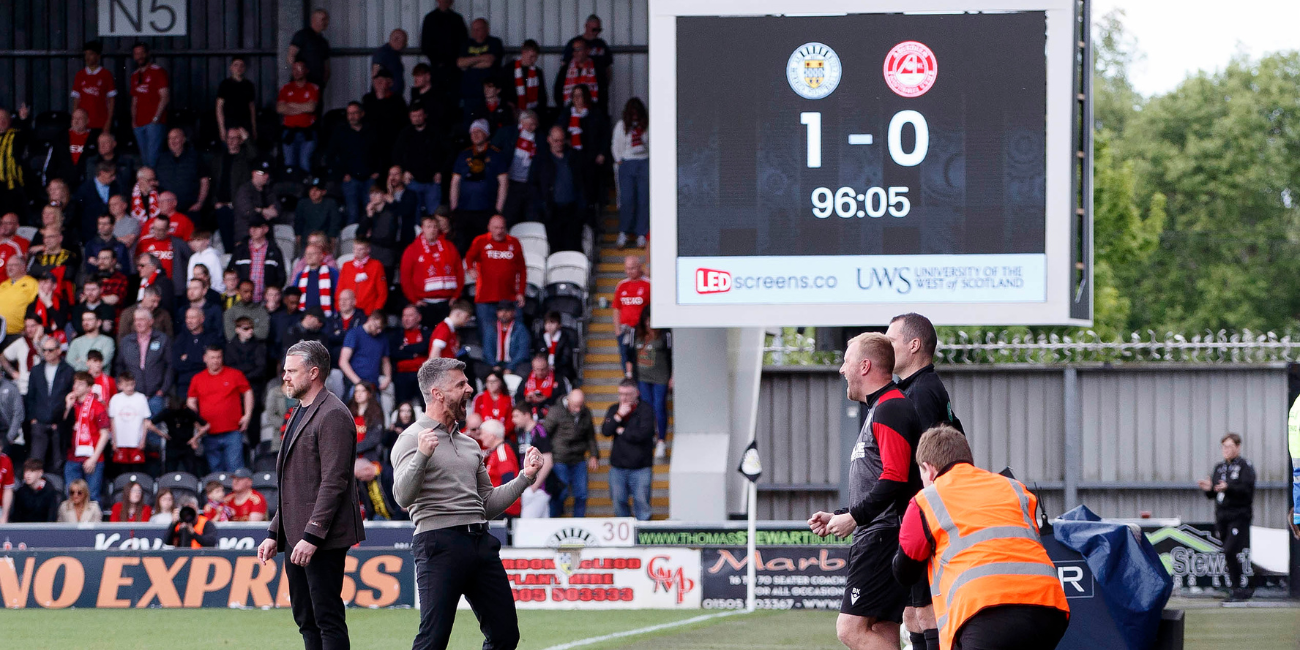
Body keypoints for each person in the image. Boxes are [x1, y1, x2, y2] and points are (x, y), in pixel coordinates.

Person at [392, 357, 542, 650]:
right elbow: (402, 497)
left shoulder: (470, 444)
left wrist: (525, 477)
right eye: (461, 384)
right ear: (437, 393)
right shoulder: (411, 439)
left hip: (481, 542)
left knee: (505, 636)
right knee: (433, 641)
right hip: (438, 544)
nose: (470, 389)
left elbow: (486, 504)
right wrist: (422, 455)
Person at [890, 425, 1070, 650]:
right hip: (1048, 608)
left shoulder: (926, 500)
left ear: (928, 469)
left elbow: (904, 571)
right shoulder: (1014, 488)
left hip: (985, 610)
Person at [807, 332, 922, 650]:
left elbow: (895, 478)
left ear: (865, 366)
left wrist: (855, 517)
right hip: (881, 533)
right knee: (882, 627)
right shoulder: (880, 409)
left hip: (883, 538)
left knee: (851, 629)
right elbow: (882, 483)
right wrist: (841, 515)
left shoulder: (891, 408)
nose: (842, 370)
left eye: (846, 362)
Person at [257, 339, 365, 650]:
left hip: (321, 538)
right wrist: (273, 533)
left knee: (326, 618)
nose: (285, 377)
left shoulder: (333, 414)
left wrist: (312, 536)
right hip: (296, 535)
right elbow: (293, 485)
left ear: (314, 372)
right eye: (285, 370)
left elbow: (334, 482)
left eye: (292, 371)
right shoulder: (300, 412)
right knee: (306, 618)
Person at [886, 312, 964, 650]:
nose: (886, 349)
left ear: (914, 344)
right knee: (911, 612)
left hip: (927, 519)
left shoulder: (921, 393)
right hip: (922, 517)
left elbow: (934, 462)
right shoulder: (923, 388)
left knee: (926, 609)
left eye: (891, 341)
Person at [1198, 432, 1256, 601]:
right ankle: (1237, 588)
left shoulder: (1245, 466)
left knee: (1230, 550)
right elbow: (1214, 494)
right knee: (1227, 552)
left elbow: (1247, 489)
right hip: (1222, 517)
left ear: (1237, 447)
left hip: (1239, 516)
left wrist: (1228, 487)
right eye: (1224, 446)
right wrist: (1208, 489)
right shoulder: (1219, 468)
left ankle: (1239, 588)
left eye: (1230, 446)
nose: (1226, 450)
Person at [188, 345, 254, 472]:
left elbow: (248, 392)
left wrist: (247, 415)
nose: (216, 360)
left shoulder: (235, 374)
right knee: (215, 471)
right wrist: (197, 424)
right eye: (212, 357)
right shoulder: (197, 379)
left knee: (236, 470)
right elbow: (191, 401)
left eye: (218, 357)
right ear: (205, 358)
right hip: (209, 433)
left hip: (233, 431)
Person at [600, 379, 655, 520]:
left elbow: (643, 434)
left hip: (641, 466)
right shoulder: (614, 409)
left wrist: (622, 431)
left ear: (636, 393)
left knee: (642, 504)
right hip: (618, 467)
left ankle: (643, 537)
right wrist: (618, 416)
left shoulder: (646, 410)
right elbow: (606, 431)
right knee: (618, 502)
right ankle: (624, 537)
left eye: (628, 394)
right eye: (621, 394)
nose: (624, 398)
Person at [450, 121, 508, 252]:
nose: (475, 135)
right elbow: (455, 182)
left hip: (486, 210)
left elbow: (503, 183)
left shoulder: (496, 155)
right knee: (463, 247)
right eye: (472, 132)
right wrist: (454, 207)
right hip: (464, 209)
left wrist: (498, 210)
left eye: (478, 131)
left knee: (485, 248)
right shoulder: (463, 155)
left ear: (486, 134)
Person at [556, 84, 609, 226]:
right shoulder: (567, 113)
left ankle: (592, 222)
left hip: (590, 158)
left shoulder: (595, 112)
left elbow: (604, 134)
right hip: (572, 157)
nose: (577, 99)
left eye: (580, 95)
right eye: (574, 96)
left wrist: (602, 153)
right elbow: (559, 130)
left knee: (590, 191)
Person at [466, 213, 525, 338]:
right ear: (489, 227)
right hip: (485, 298)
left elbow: (522, 270)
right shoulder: (480, 241)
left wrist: (520, 292)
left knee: (513, 335)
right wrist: (470, 269)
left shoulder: (514, 242)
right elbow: (469, 257)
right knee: (488, 336)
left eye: (501, 228)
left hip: (509, 296)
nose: (498, 231)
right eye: (496, 228)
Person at [528, 124, 585, 252]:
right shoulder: (540, 159)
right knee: (555, 248)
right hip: (552, 211)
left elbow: (582, 183)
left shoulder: (574, 156)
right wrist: (542, 206)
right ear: (548, 139)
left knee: (574, 248)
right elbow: (533, 185)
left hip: (572, 210)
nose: (559, 143)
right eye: (555, 140)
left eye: (561, 140)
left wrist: (582, 206)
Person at [542, 388, 597, 518]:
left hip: (579, 458)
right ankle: (554, 518)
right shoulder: (555, 412)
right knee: (561, 492)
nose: (578, 409)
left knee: (582, 494)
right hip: (559, 458)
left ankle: (579, 521)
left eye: (580, 406)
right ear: (568, 401)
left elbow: (590, 436)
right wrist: (545, 456)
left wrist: (594, 455)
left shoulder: (586, 412)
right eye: (575, 406)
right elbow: (545, 434)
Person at [401, 214, 463, 327]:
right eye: (429, 226)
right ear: (422, 228)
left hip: (447, 302)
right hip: (425, 304)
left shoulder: (449, 247)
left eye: (435, 226)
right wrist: (414, 300)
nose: (432, 230)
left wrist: (456, 296)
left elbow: (459, 271)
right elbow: (405, 277)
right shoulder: (412, 249)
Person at [63, 370, 113, 504]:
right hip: (72, 456)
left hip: (93, 458)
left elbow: (105, 434)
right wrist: (67, 407)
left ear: (89, 388)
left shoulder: (98, 407)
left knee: (93, 496)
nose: (76, 387)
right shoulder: (70, 405)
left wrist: (93, 459)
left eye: (80, 384)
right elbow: (61, 427)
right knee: (71, 496)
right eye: (75, 383)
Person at [115, 306, 174, 416]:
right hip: (132, 395)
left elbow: (170, 366)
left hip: (155, 396)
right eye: (136, 320)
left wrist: (162, 391)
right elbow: (119, 366)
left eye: (142, 319)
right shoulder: (126, 341)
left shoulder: (162, 339)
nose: (138, 323)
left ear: (151, 321)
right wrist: (122, 387)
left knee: (154, 431)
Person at [28, 337, 75, 473]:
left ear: (59, 351)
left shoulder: (68, 371)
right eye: (44, 350)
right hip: (39, 422)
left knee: (58, 462)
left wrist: (62, 420)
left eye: (50, 350)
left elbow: (70, 397)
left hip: (59, 424)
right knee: (36, 461)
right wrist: (33, 420)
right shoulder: (36, 370)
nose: (47, 353)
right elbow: (31, 396)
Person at [393, 103, 446, 220]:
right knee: (414, 216)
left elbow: (447, 153)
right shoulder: (405, 133)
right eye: (414, 116)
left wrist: (440, 171)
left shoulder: (435, 132)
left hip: (432, 181)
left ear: (425, 115)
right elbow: (397, 154)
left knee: (435, 215)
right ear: (410, 117)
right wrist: (404, 171)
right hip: (413, 181)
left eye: (419, 115)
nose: (416, 118)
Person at [210, 129, 259, 249]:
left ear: (240, 140)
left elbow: (255, 155)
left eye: (235, 138)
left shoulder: (244, 158)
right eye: (229, 138)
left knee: (241, 243)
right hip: (221, 207)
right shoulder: (219, 158)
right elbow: (214, 182)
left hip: (238, 207)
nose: (231, 141)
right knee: (227, 245)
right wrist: (215, 202)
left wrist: (246, 138)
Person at [633, 308, 671, 460]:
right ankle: (649, 437)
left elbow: (671, 354)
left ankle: (661, 440)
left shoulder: (665, 334)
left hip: (661, 376)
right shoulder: (637, 333)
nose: (649, 324)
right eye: (647, 320)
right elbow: (630, 353)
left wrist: (672, 376)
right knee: (646, 407)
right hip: (643, 377)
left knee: (659, 406)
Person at [419, 0, 468, 114]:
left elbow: (463, 43)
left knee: (454, 101)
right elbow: (425, 45)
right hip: (437, 68)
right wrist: (437, 60)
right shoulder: (430, 18)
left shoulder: (457, 19)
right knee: (437, 100)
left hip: (454, 68)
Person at [612, 98, 649, 248]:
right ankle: (624, 232)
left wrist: (641, 132)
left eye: (637, 113)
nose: (634, 116)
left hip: (644, 162)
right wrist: (619, 160)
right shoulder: (621, 125)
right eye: (632, 113)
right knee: (627, 199)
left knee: (643, 199)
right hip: (627, 163)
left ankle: (641, 233)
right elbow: (615, 144)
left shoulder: (647, 125)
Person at [228, 215, 287, 302]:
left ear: (266, 229)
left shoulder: (275, 251)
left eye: (257, 227)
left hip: (266, 302)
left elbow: (281, 277)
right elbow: (231, 271)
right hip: (242, 300)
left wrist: (271, 295)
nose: (253, 230)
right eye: (251, 227)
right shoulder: (240, 249)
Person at [129, 43, 169, 168]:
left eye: (141, 53)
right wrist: (133, 120)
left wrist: (156, 118)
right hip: (139, 124)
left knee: (153, 159)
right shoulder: (135, 75)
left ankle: (153, 187)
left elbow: (165, 97)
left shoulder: (158, 71)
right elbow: (134, 100)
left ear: (147, 54)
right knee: (145, 160)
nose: (139, 56)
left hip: (154, 123)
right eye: (136, 54)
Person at [278, 60, 322, 174]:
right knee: (289, 164)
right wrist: (303, 108)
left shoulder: (313, 88)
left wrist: (291, 105)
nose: (296, 72)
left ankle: (306, 190)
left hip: (307, 133)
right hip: (289, 133)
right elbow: (280, 108)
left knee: (304, 163)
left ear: (306, 71)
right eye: (294, 69)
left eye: (299, 69)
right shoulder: (286, 88)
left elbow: (311, 107)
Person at [340, 311, 392, 404]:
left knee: (375, 414)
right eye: (377, 327)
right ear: (371, 320)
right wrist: (358, 382)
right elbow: (343, 362)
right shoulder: (354, 334)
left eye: (381, 328)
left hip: (373, 384)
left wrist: (388, 377)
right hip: (354, 383)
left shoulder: (382, 338)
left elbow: (386, 361)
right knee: (351, 413)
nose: (379, 331)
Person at [155, 129, 210, 215]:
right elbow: (157, 182)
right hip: (167, 212)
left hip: (190, 209)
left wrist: (200, 202)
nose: (172, 141)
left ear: (183, 139)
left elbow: (204, 181)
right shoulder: (161, 159)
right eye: (170, 138)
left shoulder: (195, 158)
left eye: (176, 138)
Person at [561, 16, 613, 108]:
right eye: (594, 29)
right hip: (574, 91)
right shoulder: (574, 43)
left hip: (596, 92)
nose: (596, 32)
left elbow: (608, 67)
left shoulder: (601, 44)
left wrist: (604, 87)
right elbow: (564, 66)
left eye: (599, 30)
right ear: (586, 26)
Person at [363, 71, 410, 172]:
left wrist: (382, 100)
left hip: (391, 143)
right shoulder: (368, 99)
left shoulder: (397, 100)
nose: (378, 84)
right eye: (376, 81)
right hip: (373, 145)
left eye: (381, 81)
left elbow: (400, 122)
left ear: (390, 83)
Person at [108, 370, 154, 471]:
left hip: (136, 442)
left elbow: (145, 421)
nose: (130, 387)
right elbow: (112, 422)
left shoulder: (141, 398)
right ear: (119, 385)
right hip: (120, 442)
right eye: (126, 385)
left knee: (137, 471)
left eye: (132, 384)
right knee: (122, 471)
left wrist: (143, 440)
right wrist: (114, 441)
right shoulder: (115, 399)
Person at [174, 305, 225, 396]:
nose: (189, 321)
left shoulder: (211, 337)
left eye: (193, 318)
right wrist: (200, 358)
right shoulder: (181, 338)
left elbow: (213, 363)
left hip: (207, 382)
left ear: (202, 319)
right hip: (185, 384)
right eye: (187, 318)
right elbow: (177, 364)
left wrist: (188, 358)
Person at [457, 18, 504, 115]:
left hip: (489, 95)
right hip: (470, 93)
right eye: (473, 29)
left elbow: (489, 61)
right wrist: (481, 58)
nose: (475, 32)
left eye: (478, 29)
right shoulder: (466, 44)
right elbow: (460, 63)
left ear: (487, 29)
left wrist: (470, 63)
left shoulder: (494, 42)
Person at [613, 255, 649, 378]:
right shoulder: (621, 285)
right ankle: (629, 381)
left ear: (639, 267)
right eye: (627, 268)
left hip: (642, 330)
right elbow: (616, 309)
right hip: (625, 329)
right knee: (625, 356)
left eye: (632, 268)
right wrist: (618, 331)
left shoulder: (648, 284)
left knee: (642, 358)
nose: (630, 271)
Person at [136, 215, 193, 292]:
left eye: (161, 230)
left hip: (174, 287)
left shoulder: (178, 243)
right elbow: (137, 261)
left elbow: (190, 260)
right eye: (155, 229)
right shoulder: (144, 242)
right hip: (150, 286)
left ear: (168, 229)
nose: (157, 232)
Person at [479, 418, 521, 518]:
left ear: (492, 435)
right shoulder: (497, 451)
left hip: (505, 509)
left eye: (483, 433)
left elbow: (508, 479)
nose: (481, 437)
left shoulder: (502, 451)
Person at [232, 159, 280, 247]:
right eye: (262, 173)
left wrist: (259, 210)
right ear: (254, 173)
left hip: (266, 237)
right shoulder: (244, 190)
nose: (266, 176)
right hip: (246, 236)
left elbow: (276, 210)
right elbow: (247, 212)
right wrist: (264, 211)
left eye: (267, 173)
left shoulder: (268, 190)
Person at [390, 305, 431, 408]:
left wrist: (405, 349)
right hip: (402, 375)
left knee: (426, 404)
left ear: (419, 318)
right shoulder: (396, 334)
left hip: (422, 374)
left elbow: (424, 347)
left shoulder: (426, 333)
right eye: (404, 316)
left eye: (410, 315)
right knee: (401, 404)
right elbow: (394, 353)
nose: (406, 319)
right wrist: (415, 354)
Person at [72, 40, 116, 132]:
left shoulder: (106, 74)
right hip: (83, 124)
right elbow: (76, 100)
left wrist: (108, 122)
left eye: (91, 54)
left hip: (100, 123)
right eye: (86, 54)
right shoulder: (80, 75)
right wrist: (75, 121)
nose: (87, 57)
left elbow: (111, 101)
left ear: (98, 56)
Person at [156, 394, 205, 474]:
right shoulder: (167, 412)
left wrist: (195, 438)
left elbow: (204, 426)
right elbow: (149, 423)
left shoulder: (188, 412)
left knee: (192, 471)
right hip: (172, 444)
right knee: (170, 472)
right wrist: (161, 434)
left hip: (187, 444)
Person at [73, 164, 122, 245]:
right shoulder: (85, 189)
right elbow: (79, 213)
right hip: (90, 234)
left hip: (111, 233)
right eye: (111, 175)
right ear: (102, 173)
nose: (114, 178)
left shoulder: (116, 187)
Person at [337, 238, 387, 316]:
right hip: (348, 312)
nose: (357, 252)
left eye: (361, 249)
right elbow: (340, 289)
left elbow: (382, 293)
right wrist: (339, 309)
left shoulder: (376, 266)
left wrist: (376, 311)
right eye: (355, 248)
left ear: (368, 250)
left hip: (368, 312)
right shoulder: (346, 266)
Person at [288, 9, 332, 90]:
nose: (326, 22)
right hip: (302, 85)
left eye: (327, 19)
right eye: (323, 19)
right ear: (314, 20)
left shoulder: (323, 42)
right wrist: (298, 76)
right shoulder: (302, 35)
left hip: (317, 85)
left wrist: (323, 82)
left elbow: (326, 66)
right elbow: (291, 56)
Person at [516, 354, 570, 419]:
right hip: (529, 415)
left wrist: (546, 399)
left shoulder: (558, 379)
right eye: (537, 369)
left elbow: (564, 399)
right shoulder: (526, 380)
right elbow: (517, 398)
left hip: (551, 414)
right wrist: (526, 400)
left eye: (543, 369)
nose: (540, 372)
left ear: (548, 367)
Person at [216, 56, 258, 141]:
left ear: (244, 68)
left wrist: (254, 128)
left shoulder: (249, 85)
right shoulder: (225, 84)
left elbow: (252, 108)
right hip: (229, 125)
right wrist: (222, 129)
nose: (238, 68)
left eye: (241, 65)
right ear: (231, 67)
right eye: (236, 65)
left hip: (245, 125)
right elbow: (219, 107)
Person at [555, 37, 600, 109]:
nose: (576, 52)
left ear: (587, 51)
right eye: (574, 50)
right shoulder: (565, 69)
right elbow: (558, 92)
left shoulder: (597, 69)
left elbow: (602, 95)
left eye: (579, 49)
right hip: (569, 111)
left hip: (591, 112)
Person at [296, 180, 344, 248]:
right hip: (307, 240)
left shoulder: (330, 203)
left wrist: (332, 236)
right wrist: (298, 234)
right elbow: (299, 221)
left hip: (324, 239)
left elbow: (334, 222)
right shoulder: (303, 203)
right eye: (311, 190)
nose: (313, 192)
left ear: (323, 192)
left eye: (317, 190)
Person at [84, 213, 131, 279]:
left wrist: (98, 263)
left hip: (116, 282)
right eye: (100, 223)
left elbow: (125, 269)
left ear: (113, 226)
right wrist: (113, 265)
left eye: (105, 224)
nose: (102, 226)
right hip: (96, 281)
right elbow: (89, 268)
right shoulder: (90, 245)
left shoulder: (121, 246)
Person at [0, 255, 38, 336]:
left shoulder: (32, 283)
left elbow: (36, 307)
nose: (9, 268)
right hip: (1, 332)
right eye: (8, 265)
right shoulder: (3, 284)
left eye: (13, 265)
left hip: (18, 333)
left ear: (23, 266)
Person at [508, 40, 547, 115]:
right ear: (523, 53)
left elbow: (542, 96)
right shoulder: (509, 69)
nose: (533, 60)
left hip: (532, 112)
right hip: (513, 112)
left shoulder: (538, 72)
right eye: (531, 56)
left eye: (535, 57)